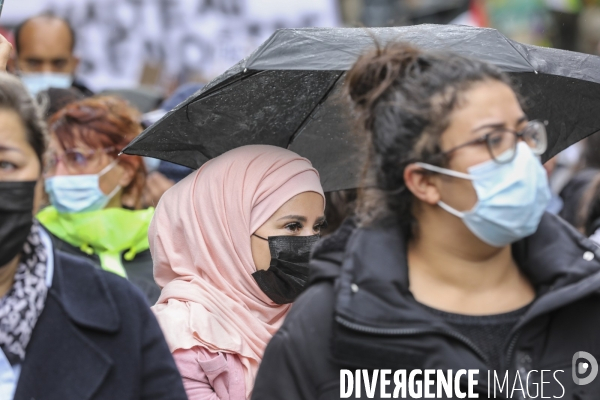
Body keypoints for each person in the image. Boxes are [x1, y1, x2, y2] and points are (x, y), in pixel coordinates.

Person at [252, 43, 600, 399]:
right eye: (492, 139)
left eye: (524, 134)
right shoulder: (331, 326)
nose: (524, 156)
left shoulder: (586, 295)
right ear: (424, 181)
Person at [0, 71, 186, 399]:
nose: (63, 175)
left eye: (6, 164)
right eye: (61, 160)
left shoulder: (122, 307)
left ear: (38, 172)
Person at [150, 145, 326, 399]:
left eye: (318, 226)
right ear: (228, 233)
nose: (311, 241)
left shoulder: (317, 314)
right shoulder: (180, 336)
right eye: (293, 226)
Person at [37, 96, 160, 304]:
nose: (59, 174)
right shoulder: (35, 243)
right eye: (51, 161)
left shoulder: (163, 246)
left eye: (77, 158)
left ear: (125, 170)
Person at [10, 13, 92, 97]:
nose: (47, 73)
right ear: (12, 64)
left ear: (75, 64)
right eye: (33, 63)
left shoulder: (94, 107)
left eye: (59, 63)